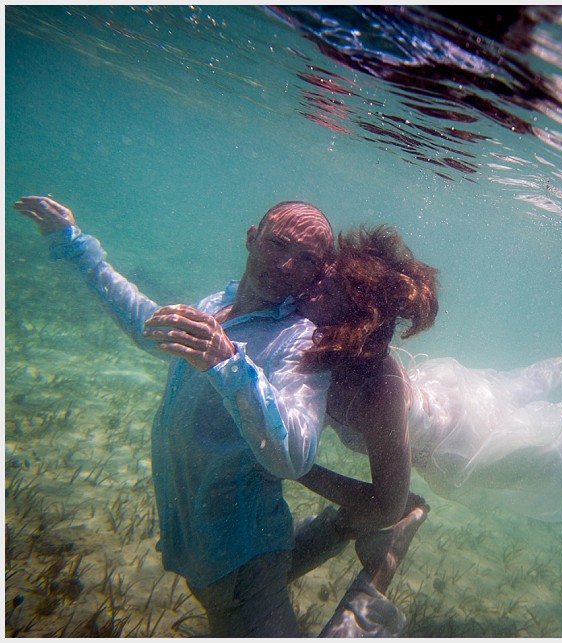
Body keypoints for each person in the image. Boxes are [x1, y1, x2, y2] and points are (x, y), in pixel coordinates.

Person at [11, 195, 354, 636]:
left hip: (242, 561)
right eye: (278, 245)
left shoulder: (298, 339)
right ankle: (359, 521)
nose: (287, 266)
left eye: (306, 259)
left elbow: (295, 457)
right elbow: (148, 328)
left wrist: (229, 363)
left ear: (319, 273)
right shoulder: (217, 305)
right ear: (251, 239)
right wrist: (76, 246)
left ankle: (370, 589)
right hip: (201, 547)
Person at [295, 224, 562, 526]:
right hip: (450, 397)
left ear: (360, 317)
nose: (308, 291)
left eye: (326, 289)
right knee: (521, 382)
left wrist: (298, 468)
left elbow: (388, 507)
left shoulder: (378, 397)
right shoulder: (340, 346)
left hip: (469, 446)